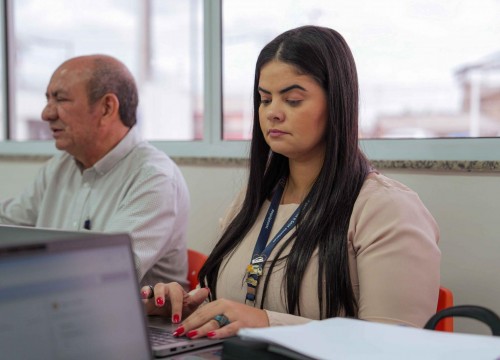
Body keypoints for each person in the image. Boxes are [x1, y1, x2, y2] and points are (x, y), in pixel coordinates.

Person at [141, 25, 440, 338]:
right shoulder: (252, 201)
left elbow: (394, 345)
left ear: (336, 102)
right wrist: (186, 309)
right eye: (265, 99)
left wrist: (268, 323)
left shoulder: (387, 209)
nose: (273, 113)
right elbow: (233, 307)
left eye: (293, 100)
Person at [0, 54, 190, 288]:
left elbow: (106, 274)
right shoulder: (59, 167)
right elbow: (9, 224)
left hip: (132, 322)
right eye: (48, 99)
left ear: (107, 108)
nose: (46, 114)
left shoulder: (154, 178)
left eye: (60, 100)